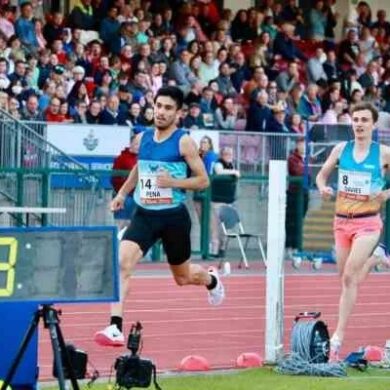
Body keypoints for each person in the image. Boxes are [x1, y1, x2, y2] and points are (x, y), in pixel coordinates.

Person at [94, 86, 225, 346]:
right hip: (145, 215)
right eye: (158, 106)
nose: (161, 112)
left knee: (183, 277)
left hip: (173, 218)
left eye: (168, 108)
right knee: (121, 264)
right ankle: (115, 328)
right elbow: (139, 170)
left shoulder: (183, 141)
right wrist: (122, 194)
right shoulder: (144, 138)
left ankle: (211, 280)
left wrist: (173, 182)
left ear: (178, 113)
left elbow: (203, 181)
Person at [316, 102, 390, 361]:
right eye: (355, 119)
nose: (358, 124)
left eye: (364, 120)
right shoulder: (341, 149)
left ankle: (337, 337)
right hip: (341, 222)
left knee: (348, 277)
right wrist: (323, 187)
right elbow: (322, 175)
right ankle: (376, 260)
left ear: (373, 124)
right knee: (348, 279)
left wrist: (386, 193)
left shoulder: (383, 153)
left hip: (368, 223)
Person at [111, 135, 139, 231]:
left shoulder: (142, 158)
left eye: (140, 144)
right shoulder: (121, 158)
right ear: (131, 144)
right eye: (136, 144)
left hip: (139, 197)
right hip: (126, 197)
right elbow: (115, 178)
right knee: (122, 224)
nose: (138, 146)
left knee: (136, 224)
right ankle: (119, 244)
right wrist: (121, 194)